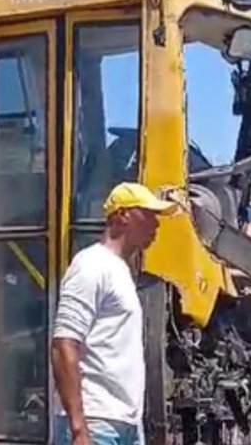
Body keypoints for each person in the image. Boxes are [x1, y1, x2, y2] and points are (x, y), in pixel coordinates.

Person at [51, 182, 179, 445]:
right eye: (149, 214)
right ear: (122, 215)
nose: (156, 225)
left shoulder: (119, 271)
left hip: (125, 424)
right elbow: (64, 345)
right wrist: (79, 429)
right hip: (97, 424)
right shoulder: (91, 265)